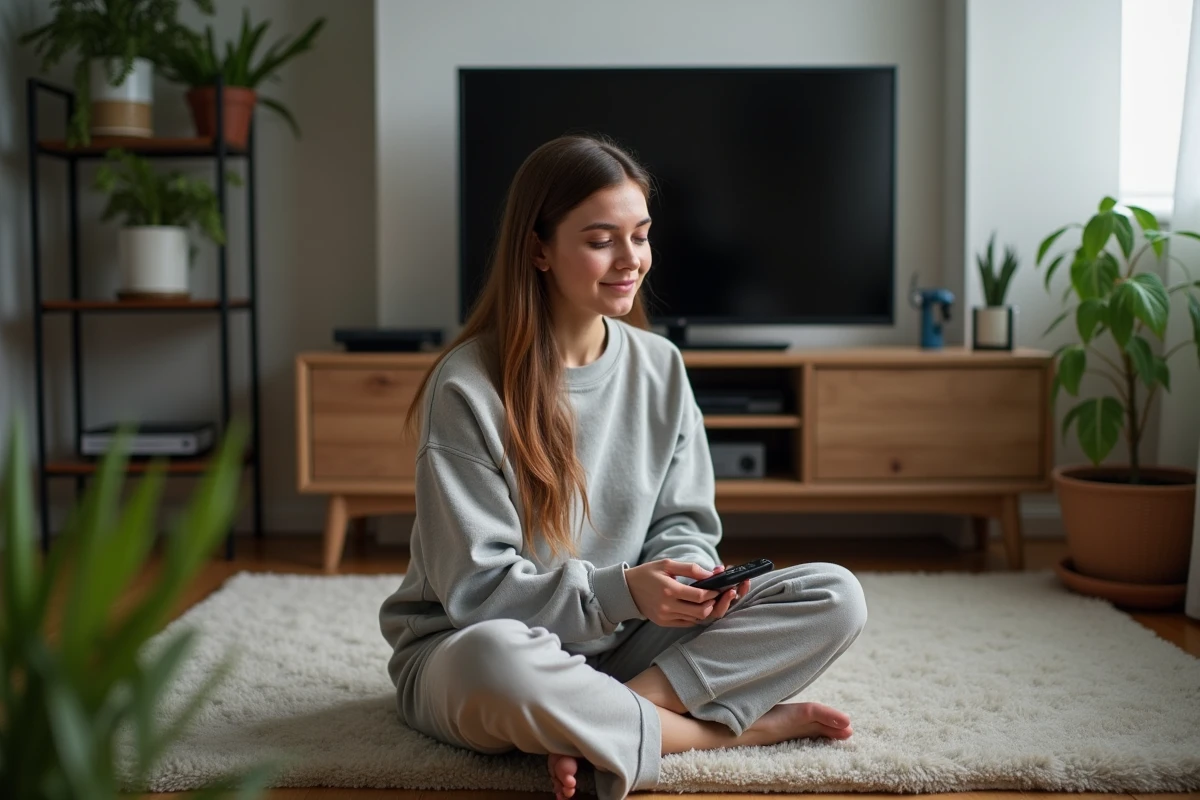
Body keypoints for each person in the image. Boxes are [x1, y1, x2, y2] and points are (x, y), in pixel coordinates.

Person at [378, 134, 868, 800]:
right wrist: (623, 591)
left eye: (640, 236)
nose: (630, 259)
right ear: (538, 249)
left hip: (633, 638)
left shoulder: (659, 366)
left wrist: (691, 577)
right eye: (601, 239)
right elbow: (472, 591)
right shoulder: (467, 386)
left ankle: (602, 716)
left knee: (836, 596)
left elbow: (685, 523)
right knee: (495, 660)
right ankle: (722, 732)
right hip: (475, 646)